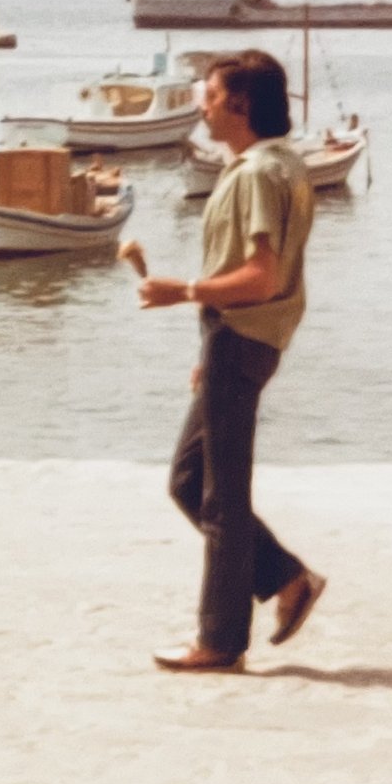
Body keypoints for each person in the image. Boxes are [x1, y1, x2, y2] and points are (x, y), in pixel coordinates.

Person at [138, 50, 325, 671]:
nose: (202, 104)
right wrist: (208, 338)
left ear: (239, 105)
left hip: (242, 337)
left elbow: (261, 276)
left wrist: (184, 292)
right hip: (241, 340)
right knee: (190, 482)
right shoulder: (284, 166)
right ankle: (287, 578)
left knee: (220, 496)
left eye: (211, 96)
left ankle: (219, 641)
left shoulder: (253, 175)